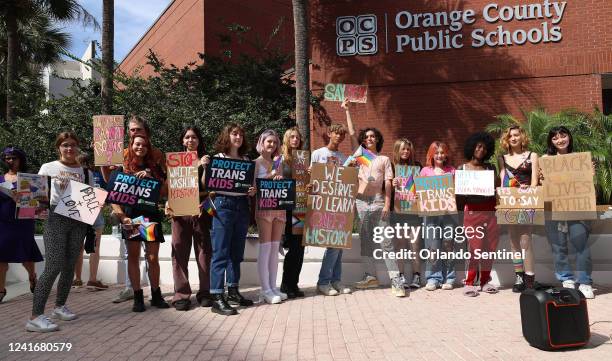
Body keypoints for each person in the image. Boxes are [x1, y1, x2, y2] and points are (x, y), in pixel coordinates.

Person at [26, 132, 93, 332]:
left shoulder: (86, 171)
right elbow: (34, 195)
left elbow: (89, 198)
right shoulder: (48, 167)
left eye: (73, 145)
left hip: (78, 219)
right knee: (53, 266)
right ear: (58, 147)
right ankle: (35, 316)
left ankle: (59, 306)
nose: (69, 149)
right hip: (56, 217)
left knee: (70, 264)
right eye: (65, 145)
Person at [343, 100, 405, 297]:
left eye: (373, 136)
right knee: (366, 240)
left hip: (379, 201)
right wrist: (347, 110)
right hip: (361, 202)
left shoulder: (384, 159)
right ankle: (370, 277)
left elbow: (388, 183)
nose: (369, 138)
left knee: (386, 241)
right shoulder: (360, 157)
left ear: (377, 140)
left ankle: (397, 281)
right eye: (367, 136)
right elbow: (352, 133)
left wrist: (387, 203)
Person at [105, 115, 163, 304]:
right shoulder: (122, 165)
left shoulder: (154, 165)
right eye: (137, 144)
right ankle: (138, 296)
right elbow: (112, 192)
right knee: (134, 256)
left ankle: (156, 295)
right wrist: (122, 216)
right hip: (131, 216)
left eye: (144, 145)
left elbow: (164, 190)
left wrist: (150, 176)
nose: (140, 147)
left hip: (150, 216)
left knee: (153, 257)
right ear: (131, 144)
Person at [207, 123, 256, 315]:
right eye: (234, 134)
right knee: (220, 252)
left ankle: (233, 290)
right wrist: (205, 170)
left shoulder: (246, 160)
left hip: (242, 205)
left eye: (241, 135)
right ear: (226, 137)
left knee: (236, 253)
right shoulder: (217, 159)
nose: (238, 138)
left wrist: (253, 190)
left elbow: (251, 187)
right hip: (223, 205)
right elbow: (207, 184)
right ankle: (217, 296)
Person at [541, 126, 594, 298]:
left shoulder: (580, 159)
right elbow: (540, 184)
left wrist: (590, 173)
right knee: (558, 246)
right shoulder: (545, 160)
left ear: (569, 137)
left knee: (581, 244)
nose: (560, 140)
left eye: (563, 136)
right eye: (555, 138)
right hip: (552, 207)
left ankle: (585, 282)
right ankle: (566, 279)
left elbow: (588, 184)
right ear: (551, 141)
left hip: (577, 207)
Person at [166, 126, 213, 310]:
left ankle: (205, 293)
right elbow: (170, 187)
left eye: (194, 137)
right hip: (179, 213)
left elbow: (211, 190)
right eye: (187, 137)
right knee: (179, 252)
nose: (190, 140)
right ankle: (181, 294)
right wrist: (169, 203)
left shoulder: (206, 160)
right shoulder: (174, 161)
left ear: (199, 141)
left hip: (201, 212)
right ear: (182, 141)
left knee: (204, 253)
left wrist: (204, 166)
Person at [311, 123, 352, 297]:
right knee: (333, 245)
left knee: (339, 244)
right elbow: (311, 177)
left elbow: (346, 180)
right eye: (336, 133)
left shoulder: (343, 157)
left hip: (340, 204)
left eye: (342, 135)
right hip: (323, 203)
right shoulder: (318, 154)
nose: (339, 137)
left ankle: (335, 280)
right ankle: (324, 282)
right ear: (329, 134)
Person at [458, 132, 500, 297]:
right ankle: (469, 283)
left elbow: (497, 189)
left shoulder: (490, 167)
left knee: (490, 248)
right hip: (472, 212)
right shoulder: (462, 168)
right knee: (475, 248)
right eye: (478, 146)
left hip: (491, 211)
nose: (481, 150)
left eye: (484, 147)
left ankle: (484, 281)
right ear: (472, 147)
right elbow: (458, 196)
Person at [498, 125, 539, 291]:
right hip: (509, 202)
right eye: (510, 136)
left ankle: (530, 277)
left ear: (522, 137)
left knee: (525, 239)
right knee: (513, 240)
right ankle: (519, 276)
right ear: (506, 140)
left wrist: (528, 189)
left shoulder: (532, 156)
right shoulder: (502, 158)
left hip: (527, 201)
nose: (513, 138)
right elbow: (503, 181)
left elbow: (535, 180)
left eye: (516, 135)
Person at [0, 147, 43, 303]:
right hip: (3, 222)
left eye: (13, 158)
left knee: (26, 255)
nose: (10, 161)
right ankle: (1, 289)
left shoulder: (29, 178)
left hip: (23, 222)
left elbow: (39, 201)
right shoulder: (0, 178)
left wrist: (23, 199)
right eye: (7, 158)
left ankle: (32, 277)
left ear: (21, 159)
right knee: (1, 256)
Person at [253, 130, 287, 304]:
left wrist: (279, 177)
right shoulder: (256, 163)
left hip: (279, 208)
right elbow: (252, 187)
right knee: (265, 248)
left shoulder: (278, 162)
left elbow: (281, 184)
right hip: (264, 209)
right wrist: (270, 175)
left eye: (274, 142)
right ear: (262, 142)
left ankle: (273, 287)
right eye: (269, 142)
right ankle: (265, 289)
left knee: (275, 248)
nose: (272, 145)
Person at [421, 141, 457, 291]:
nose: (440, 155)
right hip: (431, 215)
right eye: (436, 153)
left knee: (448, 245)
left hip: (449, 215)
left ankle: (449, 277)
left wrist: (446, 179)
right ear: (431, 155)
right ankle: (433, 278)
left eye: (442, 152)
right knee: (432, 247)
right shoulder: (425, 171)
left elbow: (457, 192)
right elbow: (420, 193)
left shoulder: (452, 170)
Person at [390, 138, 423, 289]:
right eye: (402, 149)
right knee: (400, 245)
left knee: (415, 245)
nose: (405, 152)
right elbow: (384, 190)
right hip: (397, 211)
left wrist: (419, 194)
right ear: (397, 150)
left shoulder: (417, 166)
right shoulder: (391, 167)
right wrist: (392, 184)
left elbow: (423, 188)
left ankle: (417, 276)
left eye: (408, 149)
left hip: (414, 212)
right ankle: (401, 276)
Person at [72, 152, 108, 290]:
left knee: (78, 247)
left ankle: (78, 278)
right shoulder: (97, 174)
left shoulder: (74, 175)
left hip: (78, 213)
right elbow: (106, 192)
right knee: (95, 247)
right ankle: (92, 279)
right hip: (95, 212)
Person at [279, 127, 306, 298]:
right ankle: (285, 285)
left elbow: (305, 183)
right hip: (286, 209)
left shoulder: (303, 160)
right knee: (291, 248)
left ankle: (294, 284)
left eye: (298, 137)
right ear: (287, 140)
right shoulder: (281, 160)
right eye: (292, 137)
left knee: (299, 248)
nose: (295, 140)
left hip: (301, 208)